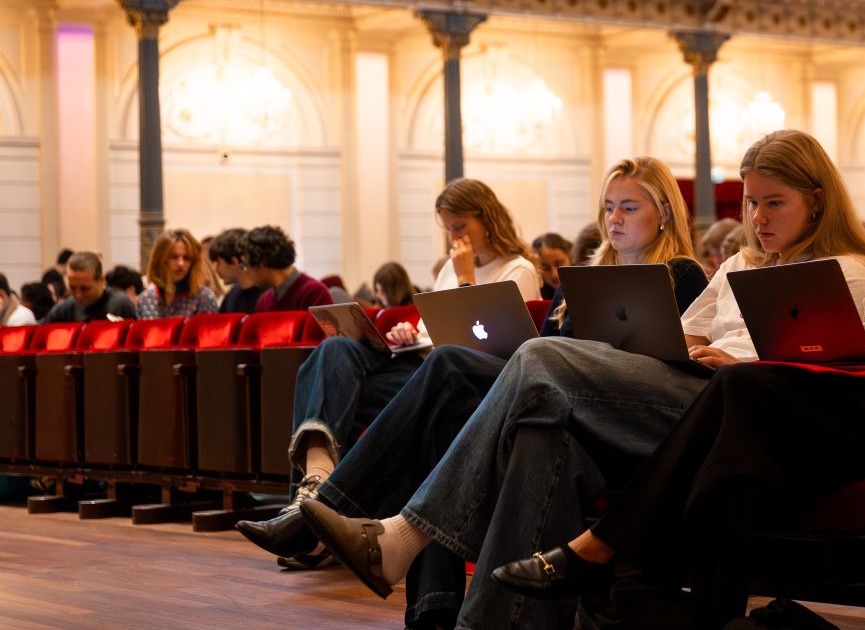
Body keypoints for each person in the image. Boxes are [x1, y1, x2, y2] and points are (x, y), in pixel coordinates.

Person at [492, 83, 865, 630]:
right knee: (741, 444)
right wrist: (839, 346)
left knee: (742, 391)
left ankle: (608, 551)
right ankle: (706, 611)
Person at [291, 133, 865, 630]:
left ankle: (395, 531)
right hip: (686, 386)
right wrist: (701, 348)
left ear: (818, 201)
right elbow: (681, 337)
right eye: (751, 203)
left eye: (773, 204)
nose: (757, 218)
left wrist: (736, 360)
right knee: (543, 432)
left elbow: (823, 373)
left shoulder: (847, 270)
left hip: (733, 414)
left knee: (540, 359)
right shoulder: (740, 264)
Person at [238, 156, 711, 627]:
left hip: (611, 414)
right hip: (543, 395)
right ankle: (433, 609)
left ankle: (325, 513)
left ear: (664, 212)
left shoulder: (682, 274)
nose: (614, 219)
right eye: (608, 207)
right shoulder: (579, 278)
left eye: (630, 207)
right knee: (428, 386)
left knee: (448, 376)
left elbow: (670, 368)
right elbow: (539, 344)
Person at [245, 179, 538, 570]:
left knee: (352, 381)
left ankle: (311, 524)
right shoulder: (450, 268)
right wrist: (410, 332)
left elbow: (488, 343)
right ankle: (312, 487)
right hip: (424, 363)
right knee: (334, 352)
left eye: (460, 226)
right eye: (448, 228)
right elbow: (436, 325)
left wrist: (466, 276)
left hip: (465, 381)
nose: (454, 237)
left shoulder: (519, 269)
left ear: (487, 219)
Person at [246, 226, 337, 313]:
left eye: (246, 265)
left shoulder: (315, 294)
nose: (246, 271)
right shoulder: (264, 301)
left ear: (261, 263)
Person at [136, 229, 219, 320]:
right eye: (174, 257)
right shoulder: (145, 299)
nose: (181, 263)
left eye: (186, 258)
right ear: (160, 259)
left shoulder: (204, 298)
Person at [42, 252, 137, 323]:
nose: (78, 295)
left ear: (101, 280)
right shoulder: (66, 308)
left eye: (85, 288)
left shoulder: (120, 305)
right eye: (73, 288)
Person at [207, 228, 264, 314]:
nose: (215, 269)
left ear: (234, 262)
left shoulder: (268, 296)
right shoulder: (231, 295)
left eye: (218, 262)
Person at [532, 233, 574, 300]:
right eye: (545, 268)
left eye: (559, 264)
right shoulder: (537, 294)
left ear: (570, 258)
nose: (554, 274)